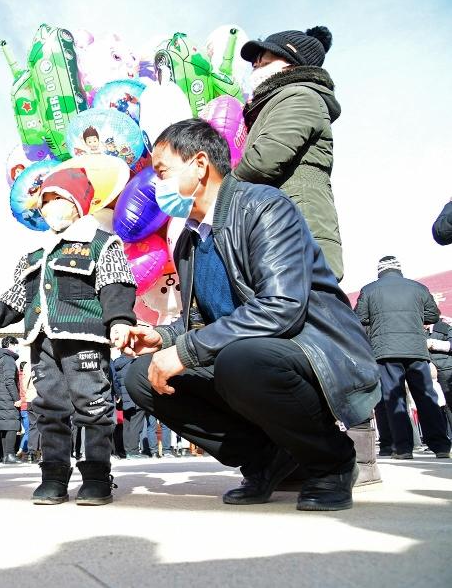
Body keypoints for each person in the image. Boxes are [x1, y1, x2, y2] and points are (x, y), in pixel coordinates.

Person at [121, 118, 380, 512]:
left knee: (240, 360)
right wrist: (165, 338)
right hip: (247, 352)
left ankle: (332, 462)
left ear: (200, 164)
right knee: (142, 376)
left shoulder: (263, 207)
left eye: (162, 172)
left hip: (310, 349)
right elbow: (205, 321)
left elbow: (280, 307)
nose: (156, 186)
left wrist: (186, 351)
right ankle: (267, 459)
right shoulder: (189, 240)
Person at [0, 167, 138, 506]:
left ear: (77, 203)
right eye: (46, 199)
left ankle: (96, 476)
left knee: (93, 406)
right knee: (48, 408)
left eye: (57, 198)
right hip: (42, 343)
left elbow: (115, 284)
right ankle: (53, 475)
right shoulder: (35, 254)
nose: (50, 205)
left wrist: (120, 321)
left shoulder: (101, 243)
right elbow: (16, 298)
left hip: (85, 341)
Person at [233, 26, 344, 281]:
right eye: (255, 63)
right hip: (281, 233)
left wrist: (219, 189)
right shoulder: (269, 105)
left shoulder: (300, 96)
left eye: (265, 61)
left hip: (300, 235)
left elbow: (261, 162)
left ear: (292, 64)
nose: (256, 67)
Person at [354, 257, 450, 459]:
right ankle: (441, 446)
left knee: (394, 399)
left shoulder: (369, 290)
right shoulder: (419, 288)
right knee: (426, 396)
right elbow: (433, 316)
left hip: (386, 352)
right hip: (416, 350)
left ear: (380, 270)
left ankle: (403, 448)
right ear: (399, 269)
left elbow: (359, 318)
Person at [0, 336, 22, 464]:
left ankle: (6, 456)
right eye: (16, 345)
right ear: (10, 344)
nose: (17, 348)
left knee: (5, 426)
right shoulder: (9, 359)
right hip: (8, 397)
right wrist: (16, 398)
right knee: (12, 425)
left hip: (1, 397)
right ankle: (10, 455)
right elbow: (9, 380)